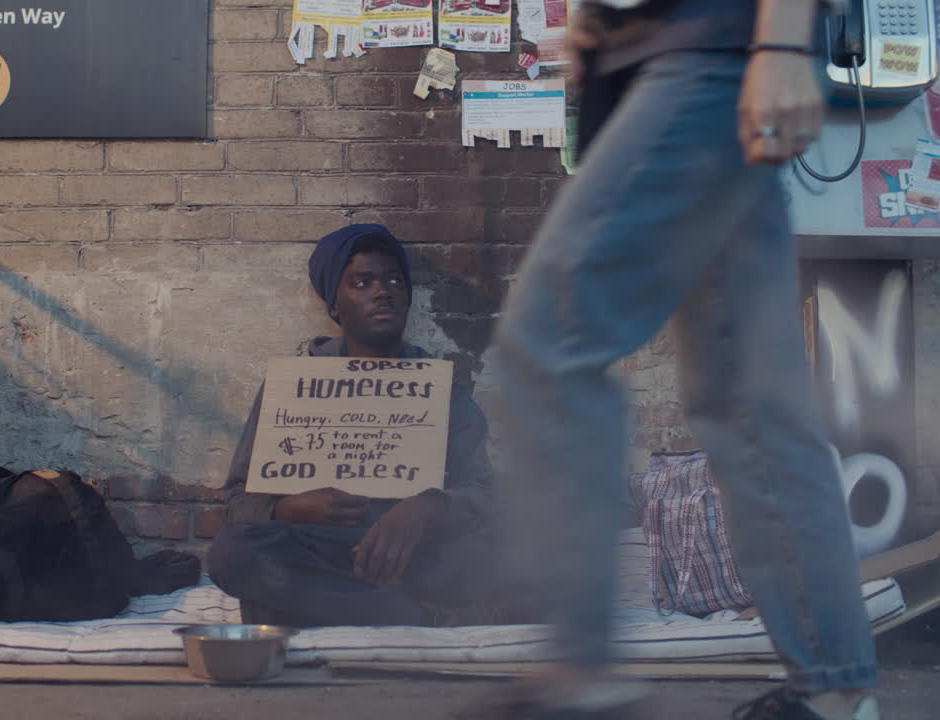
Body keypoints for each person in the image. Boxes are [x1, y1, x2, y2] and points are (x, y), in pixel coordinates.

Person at [483, 1, 880, 719]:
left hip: (708, 47)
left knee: (549, 344)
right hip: (675, 56)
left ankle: (578, 672)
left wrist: (784, 44)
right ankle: (833, 691)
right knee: (750, 401)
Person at [207, 223, 515, 628]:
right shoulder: (293, 388)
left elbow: (483, 496)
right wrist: (289, 508)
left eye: (392, 280)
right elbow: (238, 503)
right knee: (232, 553)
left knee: (526, 552)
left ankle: (305, 606)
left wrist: (424, 509)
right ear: (335, 304)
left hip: (416, 555)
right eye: (362, 282)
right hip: (322, 548)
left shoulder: (441, 391)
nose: (382, 291)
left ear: (407, 296)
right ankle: (415, 616)